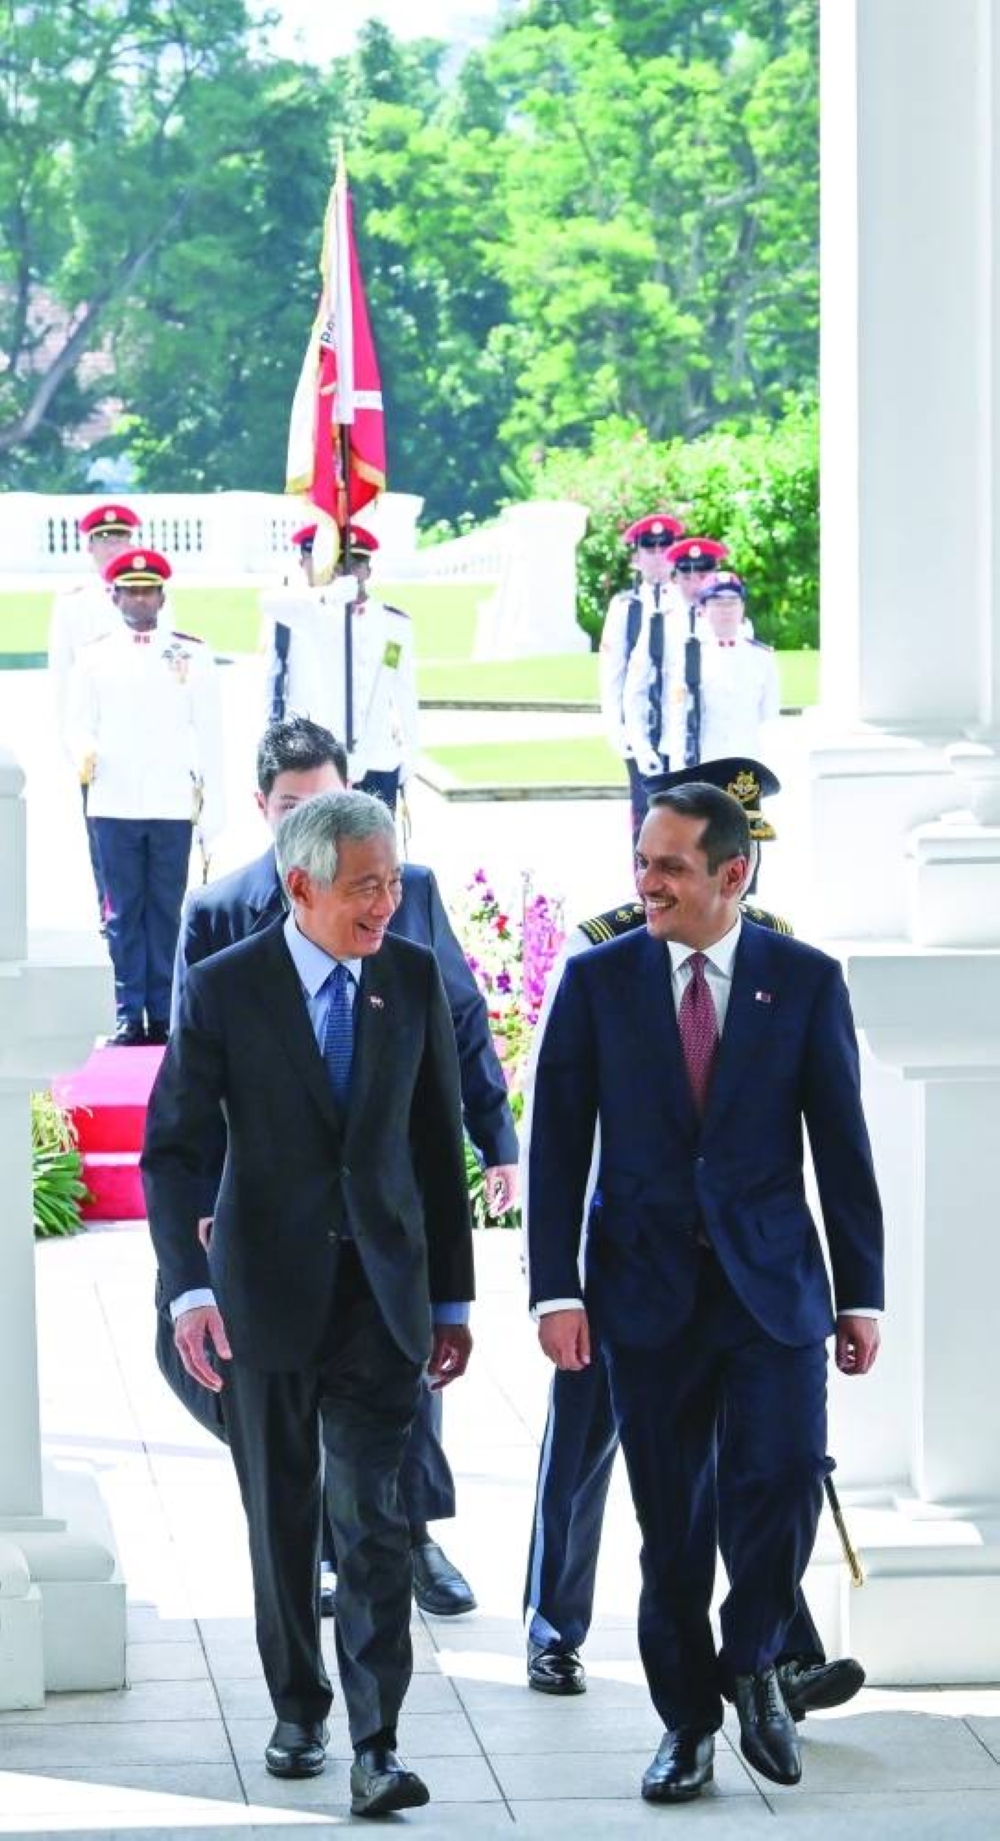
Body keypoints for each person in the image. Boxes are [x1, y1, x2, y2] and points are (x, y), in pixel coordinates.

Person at [527, 780, 884, 1802]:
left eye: (671, 866)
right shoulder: (597, 980)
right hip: (644, 1293)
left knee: (784, 1474)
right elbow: (558, 1146)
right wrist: (555, 1290)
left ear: (733, 873)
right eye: (643, 861)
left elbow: (842, 1146)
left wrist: (861, 1295)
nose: (649, 881)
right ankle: (686, 1724)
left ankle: (758, 1654)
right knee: (673, 1527)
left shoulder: (803, 980)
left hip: (771, 1288)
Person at [142, 790, 475, 1814]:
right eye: (365, 886)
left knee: (374, 1521)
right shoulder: (224, 986)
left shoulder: (409, 977)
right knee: (282, 1518)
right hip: (264, 1299)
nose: (386, 904)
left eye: (393, 882)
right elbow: (174, 1149)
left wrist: (452, 1301)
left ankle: (377, 1742)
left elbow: (436, 1144)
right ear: (301, 885)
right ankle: (298, 1706)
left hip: (382, 1299)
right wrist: (188, 1288)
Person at [167, 714, 518, 1616]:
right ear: (265, 809)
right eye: (292, 805)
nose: (312, 817)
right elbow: (191, 1091)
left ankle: (410, 1538)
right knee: (284, 1446)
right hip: (274, 1233)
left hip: (383, 1228)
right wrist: (205, 1222)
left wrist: (498, 1139)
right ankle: (323, 1554)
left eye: (326, 799)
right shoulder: (219, 915)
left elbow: (458, 1026)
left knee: (394, 1413)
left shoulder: (408, 892)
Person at [68, 548, 223, 1045]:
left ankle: (163, 1009)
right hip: (114, 802)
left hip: (170, 801)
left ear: (162, 596)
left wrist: (214, 805)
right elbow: (77, 723)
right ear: (114, 597)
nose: (140, 599)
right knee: (122, 913)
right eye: (131, 591)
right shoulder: (93, 655)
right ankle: (128, 1011)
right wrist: (84, 748)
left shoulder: (190, 653)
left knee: (165, 909)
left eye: (148, 591)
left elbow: (210, 733)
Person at [260, 523, 418, 813]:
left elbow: (404, 690)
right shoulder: (319, 614)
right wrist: (326, 596)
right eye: (342, 565)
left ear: (368, 570)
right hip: (329, 761)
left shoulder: (394, 623)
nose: (351, 572)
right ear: (332, 571)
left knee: (379, 841)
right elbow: (268, 603)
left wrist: (412, 752)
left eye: (357, 564)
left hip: (380, 757)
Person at [49, 502, 142, 924]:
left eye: (120, 538)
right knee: (102, 829)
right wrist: (71, 741)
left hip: (143, 731)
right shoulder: (73, 602)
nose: (113, 546)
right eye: (104, 539)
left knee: (151, 828)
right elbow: (62, 675)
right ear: (89, 547)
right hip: (96, 736)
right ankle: (111, 908)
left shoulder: (151, 592)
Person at [598, 513, 684, 845]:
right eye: (650, 547)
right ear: (637, 556)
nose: (658, 554)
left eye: (665, 546)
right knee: (645, 814)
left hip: (681, 725)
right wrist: (616, 728)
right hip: (641, 725)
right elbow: (612, 672)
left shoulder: (688, 602)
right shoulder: (626, 606)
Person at [623, 536, 731, 788]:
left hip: (721, 749)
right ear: (675, 577)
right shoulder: (661, 624)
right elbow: (635, 690)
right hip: (674, 747)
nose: (695, 585)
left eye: (702, 575)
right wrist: (641, 747)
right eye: (686, 577)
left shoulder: (732, 625)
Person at [650, 573, 781, 768]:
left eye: (733, 602)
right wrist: (679, 771)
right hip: (704, 762)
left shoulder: (762, 658)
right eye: (718, 603)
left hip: (747, 763)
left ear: (742, 608)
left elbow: (769, 719)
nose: (726, 610)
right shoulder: (689, 657)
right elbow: (678, 718)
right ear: (703, 609)